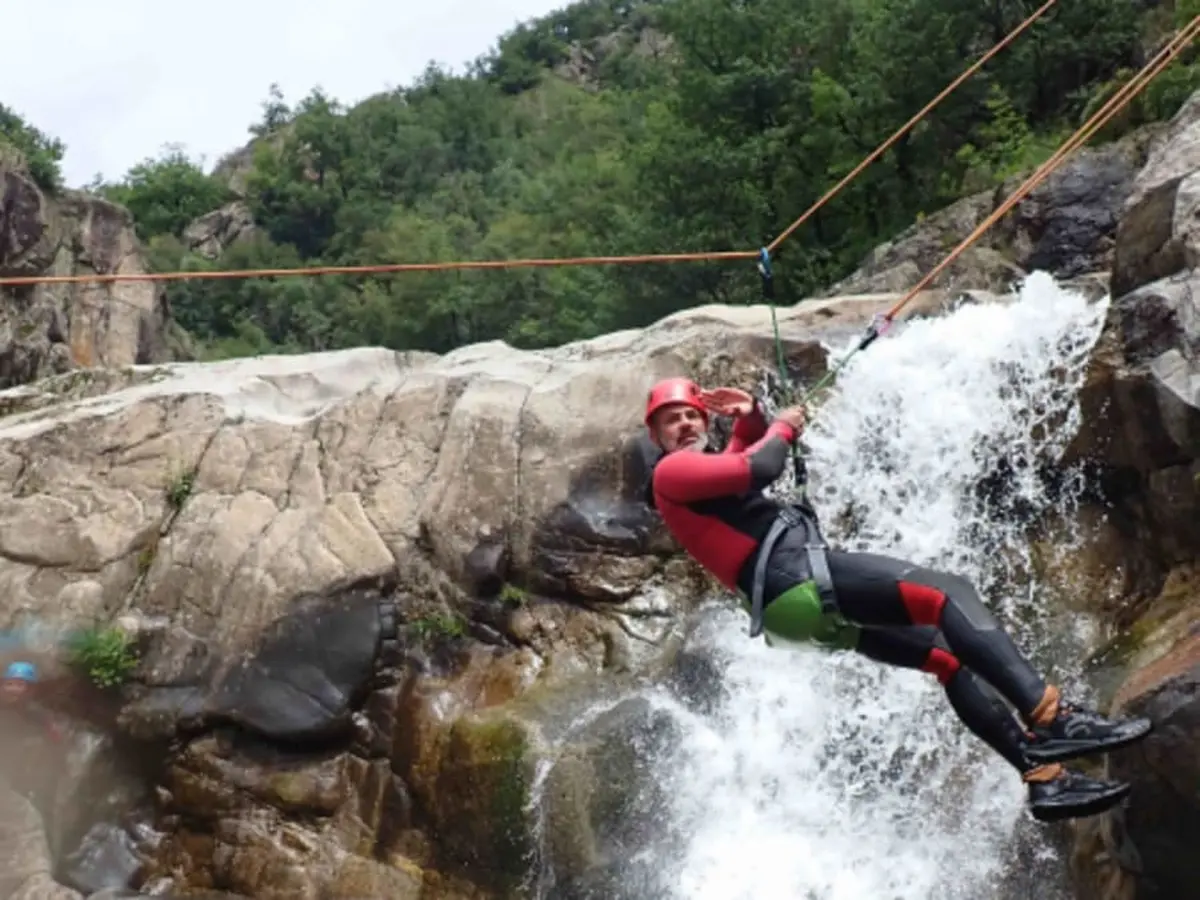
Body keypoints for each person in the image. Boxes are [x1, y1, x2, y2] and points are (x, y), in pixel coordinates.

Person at [642, 376, 1152, 823]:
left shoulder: (699, 481)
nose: (686, 424)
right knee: (949, 593)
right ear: (655, 435)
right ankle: (1052, 716)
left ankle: (1044, 776)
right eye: (672, 419)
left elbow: (743, 452)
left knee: (949, 659)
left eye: (692, 414)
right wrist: (783, 428)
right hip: (794, 580)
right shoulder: (670, 474)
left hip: (790, 615)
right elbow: (761, 467)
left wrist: (753, 415)